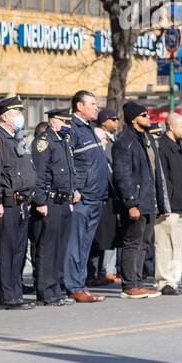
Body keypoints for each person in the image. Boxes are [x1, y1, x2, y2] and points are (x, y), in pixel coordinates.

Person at [0, 95, 36, 310]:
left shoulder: (16, 138)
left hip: (22, 202)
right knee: (6, 250)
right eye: (17, 113)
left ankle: (16, 292)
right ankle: (6, 295)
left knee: (19, 250)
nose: (21, 116)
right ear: (4, 116)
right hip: (6, 203)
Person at [111, 102, 163, 299]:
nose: (149, 118)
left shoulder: (146, 139)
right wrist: (131, 203)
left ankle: (139, 282)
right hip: (135, 202)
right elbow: (122, 175)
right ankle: (129, 284)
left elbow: (154, 173)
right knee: (132, 243)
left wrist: (159, 202)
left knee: (143, 244)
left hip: (149, 201)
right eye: (144, 115)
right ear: (134, 119)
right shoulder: (124, 141)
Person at [63, 90, 109, 303]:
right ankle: (73, 286)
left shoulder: (89, 128)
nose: (95, 107)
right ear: (79, 106)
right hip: (83, 198)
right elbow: (67, 162)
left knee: (85, 245)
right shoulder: (72, 128)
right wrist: (74, 190)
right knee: (76, 245)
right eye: (91, 104)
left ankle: (80, 284)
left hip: (96, 196)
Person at [30, 108, 75, 306]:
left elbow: (68, 173)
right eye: (65, 122)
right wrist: (40, 201)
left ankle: (56, 289)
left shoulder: (62, 141)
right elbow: (39, 174)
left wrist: (71, 195)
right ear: (54, 122)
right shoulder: (44, 142)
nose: (69, 126)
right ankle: (46, 292)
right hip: (49, 201)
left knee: (59, 248)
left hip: (63, 201)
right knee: (47, 249)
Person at [154, 113, 182, 296]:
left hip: (181, 207)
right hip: (168, 208)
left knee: (177, 245)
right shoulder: (163, 147)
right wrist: (164, 206)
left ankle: (174, 280)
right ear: (171, 127)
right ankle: (164, 281)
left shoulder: (178, 147)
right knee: (164, 245)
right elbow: (163, 181)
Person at [86, 107, 121, 286]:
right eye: (114, 119)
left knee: (106, 237)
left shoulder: (112, 142)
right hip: (98, 196)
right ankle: (91, 274)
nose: (117, 122)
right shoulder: (97, 142)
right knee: (95, 237)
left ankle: (102, 271)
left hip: (109, 195)